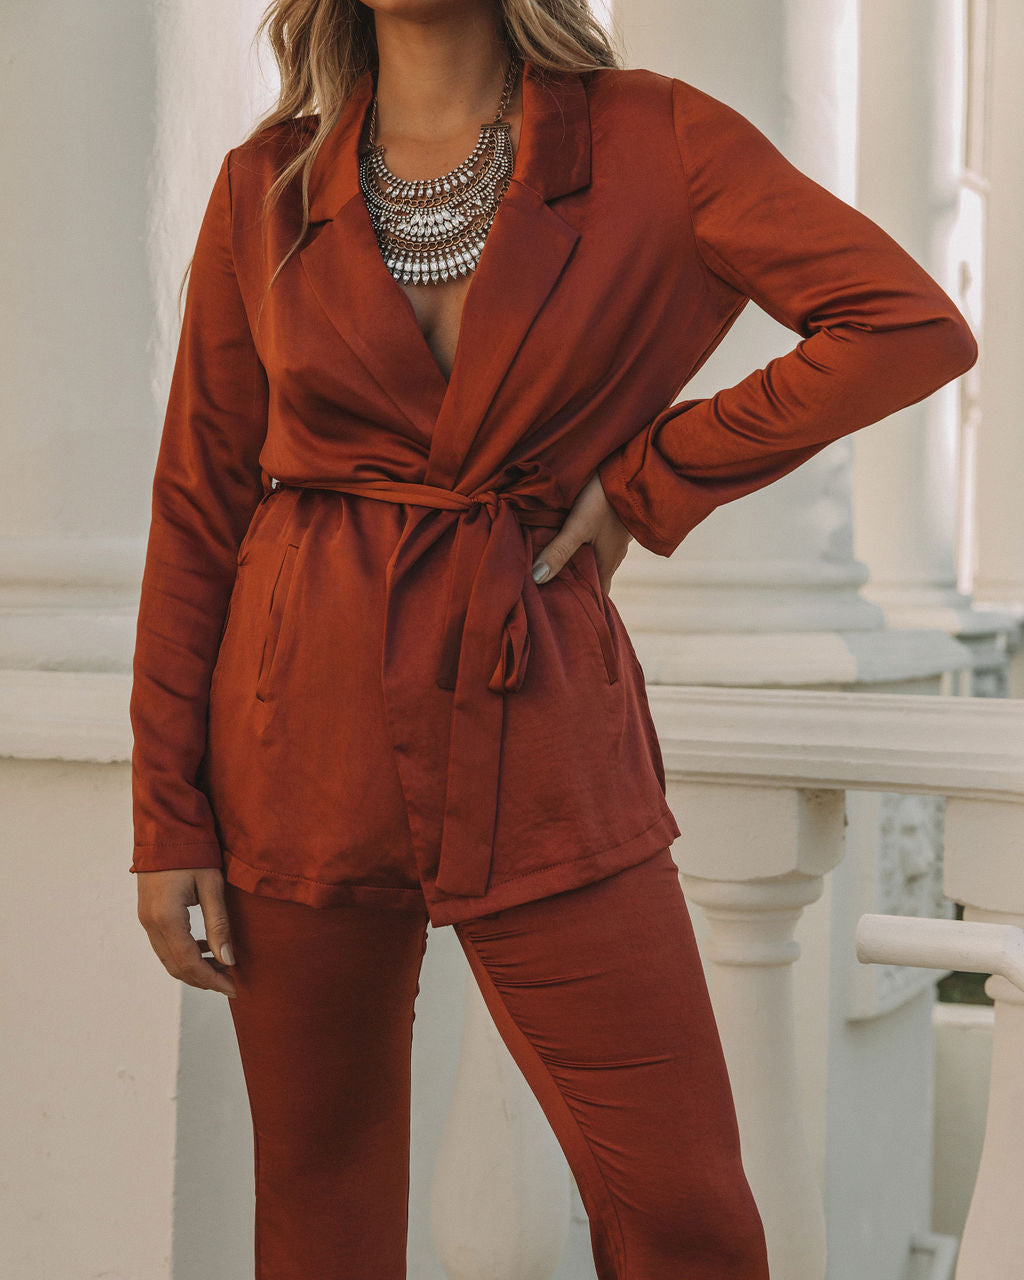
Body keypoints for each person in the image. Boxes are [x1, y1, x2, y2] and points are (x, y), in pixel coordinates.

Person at [130, 1, 978, 1276]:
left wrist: (651, 478)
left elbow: (904, 322)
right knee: (317, 1207)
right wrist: (167, 812)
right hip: (296, 727)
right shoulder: (268, 182)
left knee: (685, 1208)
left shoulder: (654, 139)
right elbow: (200, 504)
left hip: (537, 719)